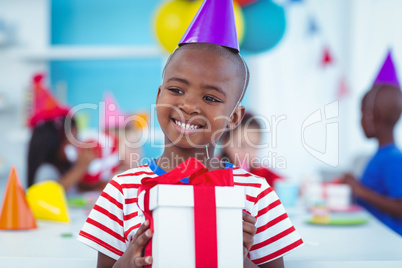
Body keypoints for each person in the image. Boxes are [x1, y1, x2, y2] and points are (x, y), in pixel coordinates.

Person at [77, 1, 303, 267]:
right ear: (159, 95)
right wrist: (130, 259)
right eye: (177, 90)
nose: (189, 105)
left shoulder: (256, 195)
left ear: (233, 118)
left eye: (209, 97)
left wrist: (238, 257)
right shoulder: (120, 191)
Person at [342, 51, 402, 236]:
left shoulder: (393, 160)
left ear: (371, 116)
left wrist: (359, 189)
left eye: (362, 113)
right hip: (373, 238)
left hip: (389, 245)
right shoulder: (381, 156)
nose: (359, 120)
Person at [27, 73, 98, 194]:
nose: (75, 146)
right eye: (71, 141)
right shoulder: (46, 170)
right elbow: (52, 193)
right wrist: (81, 167)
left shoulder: (64, 168)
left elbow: (74, 190)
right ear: (55, 142)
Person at [220, 112, 283, 188]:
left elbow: (285, 184)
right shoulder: (216, 167)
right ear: (225, 142)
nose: (247, 153)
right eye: (241, 145)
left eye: (254, 147)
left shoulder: (262, 173)